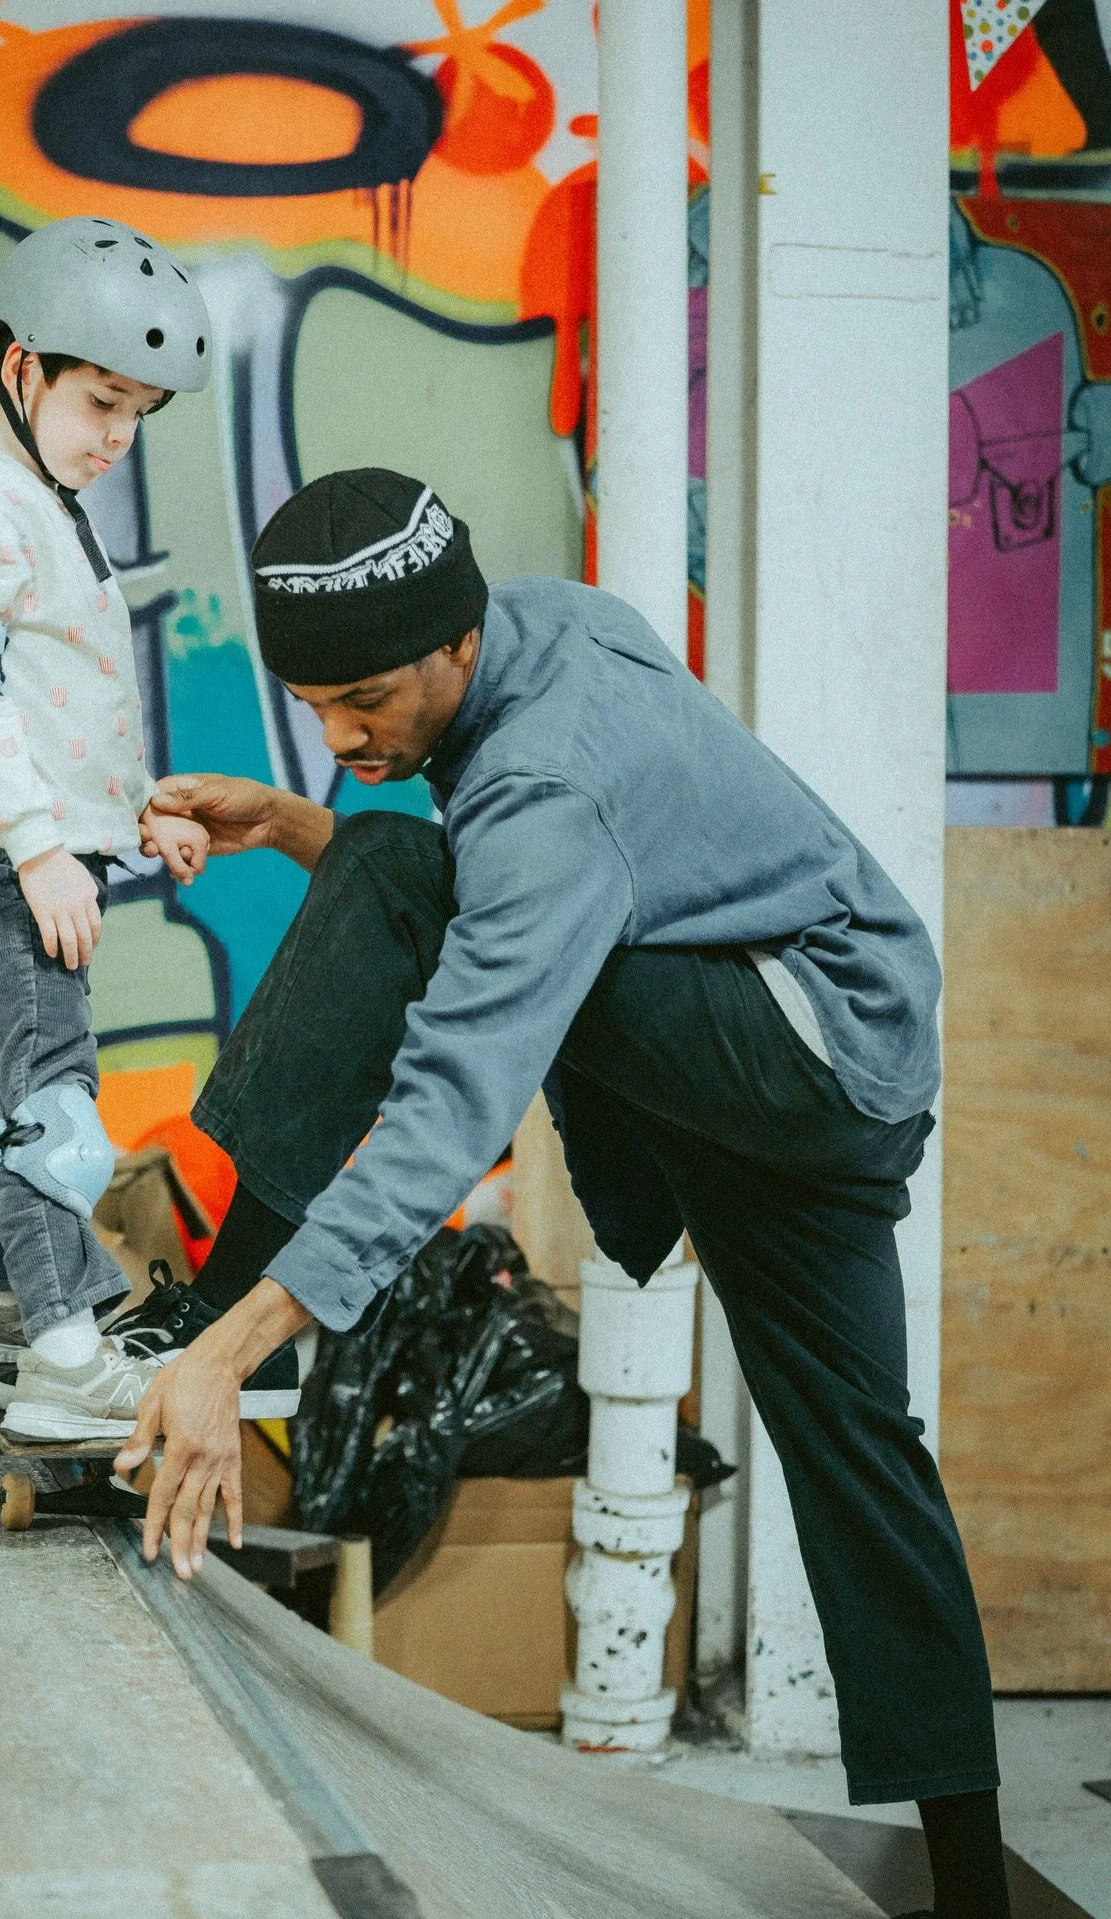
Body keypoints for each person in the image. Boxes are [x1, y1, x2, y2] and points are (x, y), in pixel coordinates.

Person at [113, 466, 1011, 1919]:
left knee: (394, 872)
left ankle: (198, 1313)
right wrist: (284, 819)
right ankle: (977, 1893)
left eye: (365, 701)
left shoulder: (542, 781)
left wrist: (236, 1346)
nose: (343, 737)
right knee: (866, 1455)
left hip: (801, 1048)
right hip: (821, 1064)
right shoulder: (549, 623)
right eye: (315, 706)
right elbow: (529, 896)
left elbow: (455, 1085)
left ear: (456, 642)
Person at [0, 216, 299, 1441]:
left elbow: (60, 701)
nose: (119, 435)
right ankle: (68, 1351)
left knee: (25, 1087)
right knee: (54, 1109)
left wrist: (135, 816)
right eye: (100, 401)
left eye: (138, 413)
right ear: (22, 368)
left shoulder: (46, 497)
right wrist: (36, 848)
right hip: (11, 861)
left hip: (46, 854)